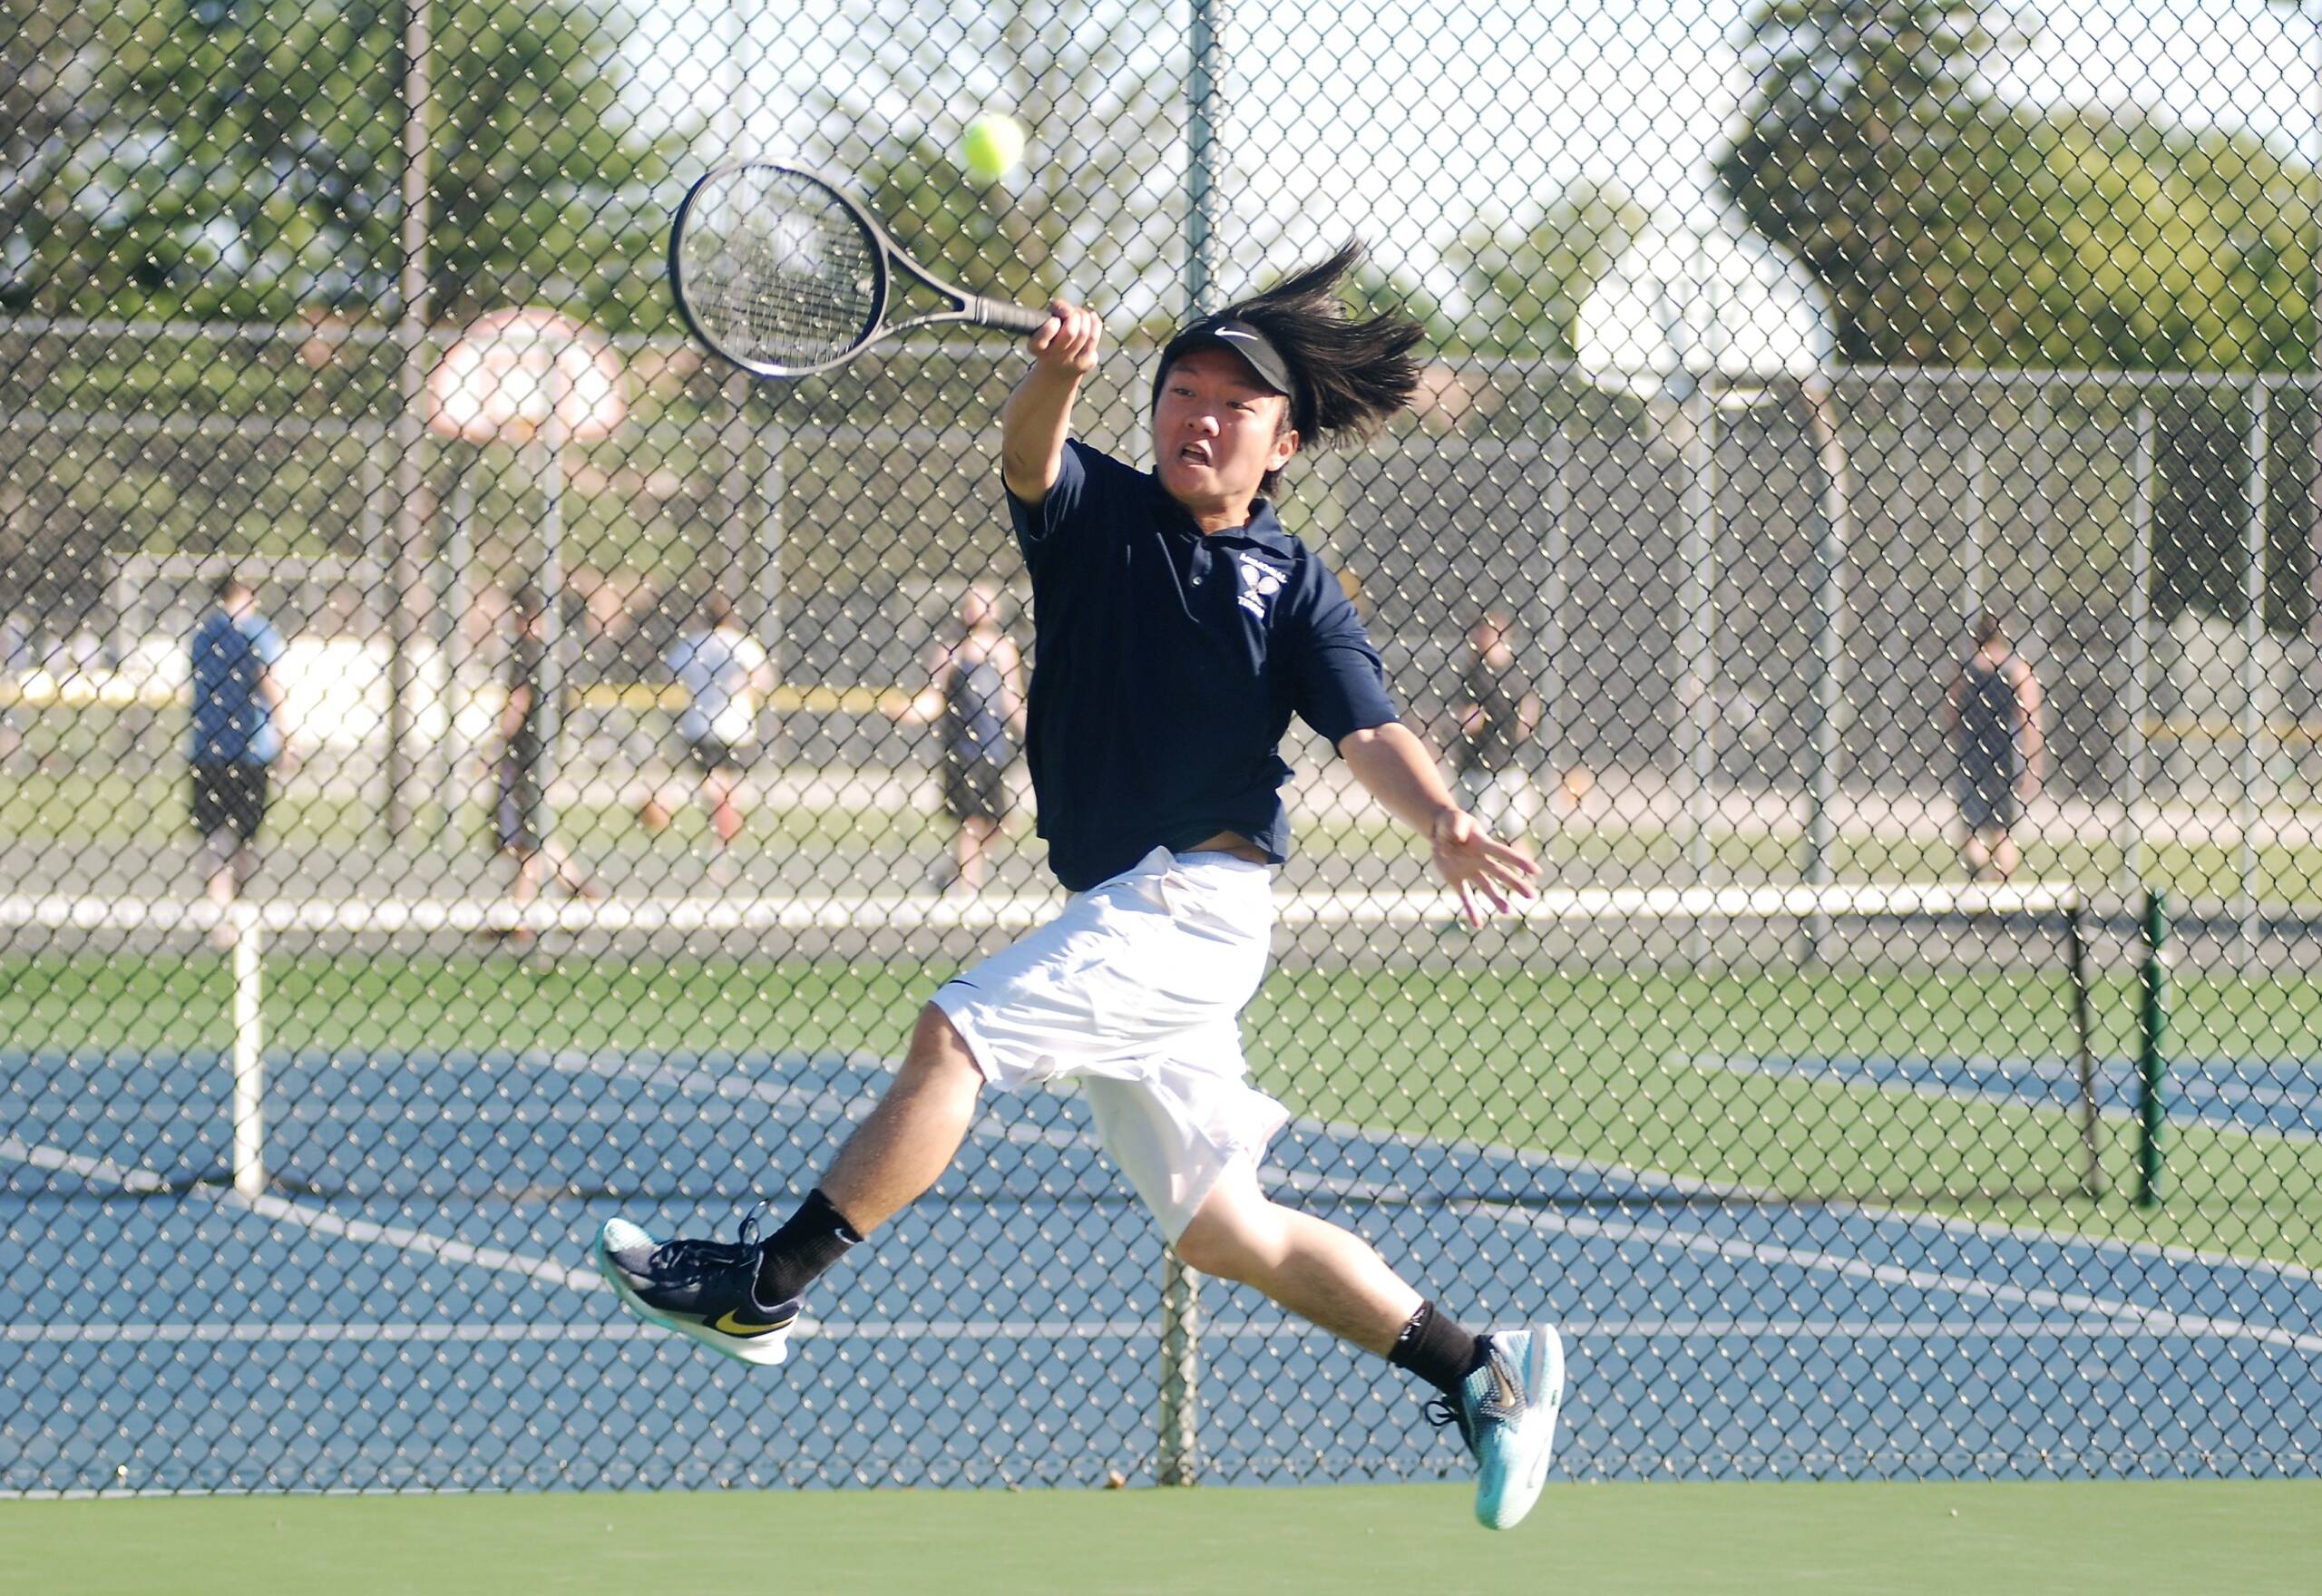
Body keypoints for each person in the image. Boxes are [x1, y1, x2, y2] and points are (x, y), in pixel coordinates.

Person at [596, 244, 1562, 1531]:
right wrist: (1056, 374)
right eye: (1180, 393)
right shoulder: (1102, 512)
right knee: (1223, 1229)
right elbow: (1028, 458)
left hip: (1192, 906)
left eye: (1233, 404)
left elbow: (1369, 727)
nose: (1198, 417)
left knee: (955, 1035)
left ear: (1283, 443)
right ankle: (1482, 1371)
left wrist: (1441, 815)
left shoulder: (1296, 582)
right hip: (1126, 906)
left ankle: (765, 1287)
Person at [188, 574, 289, 949]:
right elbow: (268, 679)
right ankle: (238, 914)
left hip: (207, 747)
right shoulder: (257, 632)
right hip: (250, 750)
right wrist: (287, 732)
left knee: (214, 838)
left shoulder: (203, 634)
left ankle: (220, 918)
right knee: (245, 838)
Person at [904, 582, 1025, 894]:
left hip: (995, 750)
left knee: (1002, 824)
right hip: (962, 751)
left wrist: (1034, 732)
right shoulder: (951, 651)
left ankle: (953, 871)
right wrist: (907, 711)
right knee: (970, 821)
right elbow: (933, 698)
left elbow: (1012, 700)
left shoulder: (1003, 650)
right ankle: (969, 889)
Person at [495, 586, 599, 931]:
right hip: (547, 750)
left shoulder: (527, 652)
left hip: (525, 753)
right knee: (534, 828)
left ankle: (520, 912)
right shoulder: (559, 653)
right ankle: (576, 884)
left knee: (528, 834)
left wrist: (498, 741)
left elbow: (518, 700)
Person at [664, 590, 774, 856]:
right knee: (728, 785)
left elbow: (670, 673)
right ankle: (724, 832)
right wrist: (743, 689)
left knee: (712, 783)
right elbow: (763, 679)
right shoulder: (743, 644)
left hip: (700, 725)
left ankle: (721, 829)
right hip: (737, 726)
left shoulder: (693, 644)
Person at [1943, 612, 2046, 883]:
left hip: (1972, 754)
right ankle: (2000, 882)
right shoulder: (2017, 670)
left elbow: (1952, 713)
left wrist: (1956, 740)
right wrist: (2033, 763)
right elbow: (2030, 720)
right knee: (2002, 830)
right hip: (2005, 756)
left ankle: (1978, 872)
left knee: (1973, 827)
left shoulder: (1967, 669)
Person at [1452, 609, 1541, 843]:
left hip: (1511, 763)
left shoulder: (1515, 672)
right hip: (1478, 764)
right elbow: (1468, 718)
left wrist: (1525, 723)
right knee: (1479, 834)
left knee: (1514, 835)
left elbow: (1530, 705)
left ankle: (1522, 868)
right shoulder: (1475, 674)